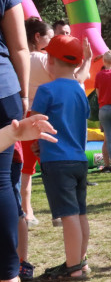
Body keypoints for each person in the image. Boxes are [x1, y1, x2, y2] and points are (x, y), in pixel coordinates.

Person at [33, 35, 91, 282]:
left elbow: (34, 124)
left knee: (68, 215)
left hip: (57, 160)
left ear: (50, 61)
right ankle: (80, 261)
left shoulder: (46, 90)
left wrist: (36, 146)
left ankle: (74, 268)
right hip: (79, 159)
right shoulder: (79, 91)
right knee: (80, 213)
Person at [0, 115, 57, 282]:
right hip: (12, 148)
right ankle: (14, 271)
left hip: (12, 150)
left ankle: (18, 266)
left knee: (15, 207)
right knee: (15, 204)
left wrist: (11, 134)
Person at [0, 0, 29, 282]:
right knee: (2, 183)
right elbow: (20, 46)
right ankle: (8, 278)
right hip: (3, 88)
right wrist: (23, 93)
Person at [21, 16, 52, 227]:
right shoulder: (44, 59)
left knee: (26, 168)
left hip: (23, 114)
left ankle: (27, 211)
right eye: (49, 36)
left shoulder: (19, 59)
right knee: (50, 164)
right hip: (43, 116)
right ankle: (59, 211)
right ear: (38, 36)